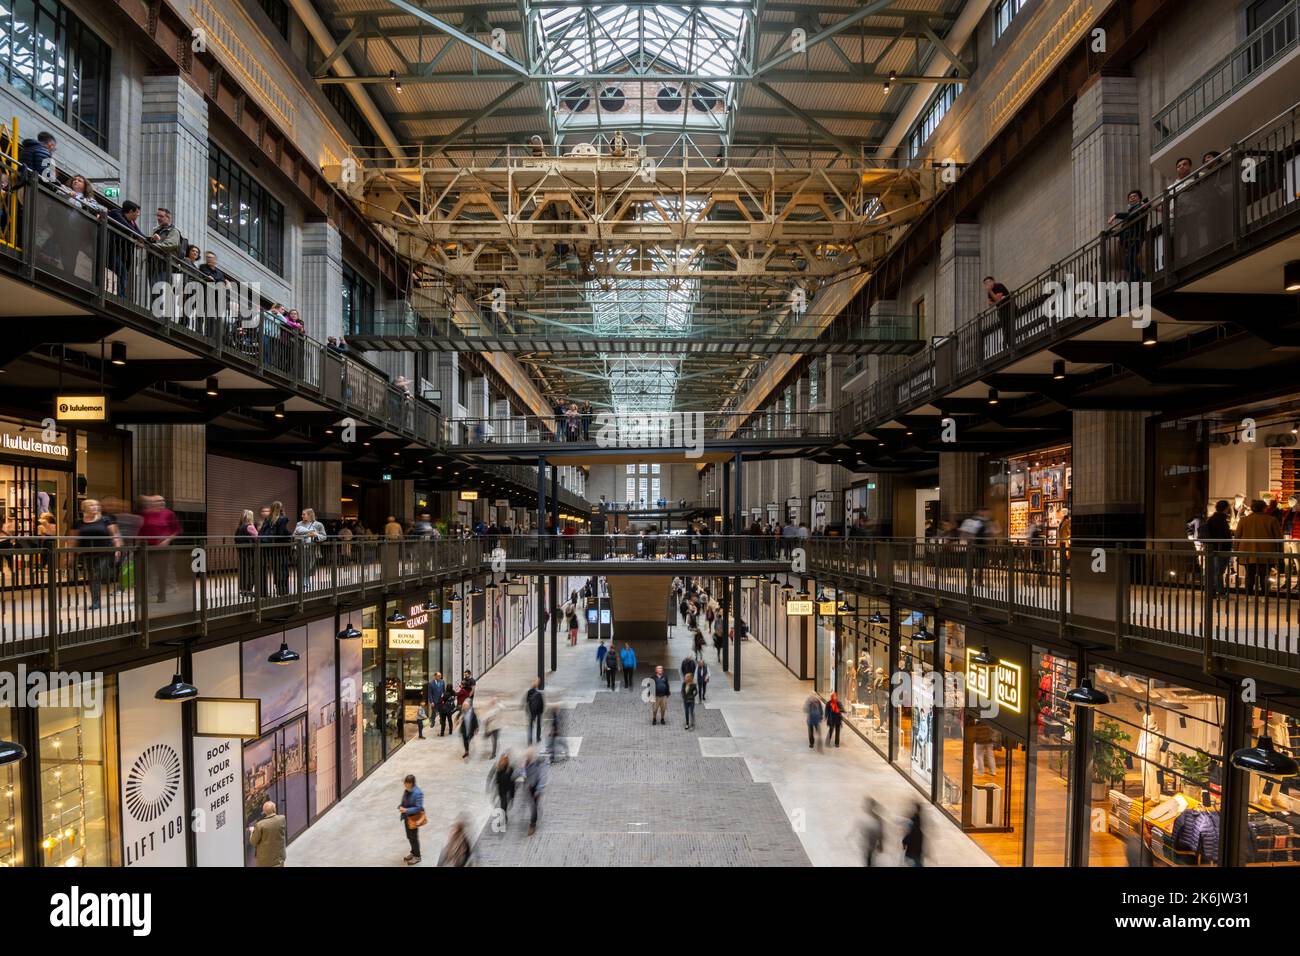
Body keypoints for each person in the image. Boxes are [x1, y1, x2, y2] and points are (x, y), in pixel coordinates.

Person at [76, 499, 120, 611]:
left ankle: (96, 601)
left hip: (104, 552)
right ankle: (96, 600)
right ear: (84, 508)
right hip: (87, 554)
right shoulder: (79, 522)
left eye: (96, 505)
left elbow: (115, 535)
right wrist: (70, 555)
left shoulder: (106, 520)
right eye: (92, 505)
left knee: (96, 574)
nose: (95, 507)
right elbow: (73, 539)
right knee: (92, 577)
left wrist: (118, 549)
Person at [1235, 498, 1283, 597]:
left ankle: (1248, 596)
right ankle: (1264, 596)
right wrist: (1280, 553)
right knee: (1265, 575)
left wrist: (1236, 551)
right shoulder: (1271, 520)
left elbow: (1237, 536)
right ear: (1264, 508)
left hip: (1247, 553)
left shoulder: (1244, 520)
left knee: (1249, 575)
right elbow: (1278, 538)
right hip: (1267, 553)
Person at [139, 494, 180, 603]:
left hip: (162, 549)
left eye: (162, 500)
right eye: (158, 501)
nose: (161, 502)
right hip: (146, 548)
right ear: (152, 502)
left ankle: (161, 594)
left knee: (161, 572)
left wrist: (167, 540)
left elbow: (177, 530)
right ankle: (144, 594)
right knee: (145, 572)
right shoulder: (144, 514)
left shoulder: (169, 513)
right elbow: (140, 530)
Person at [259, 500, 291, 596]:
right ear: (281, 508)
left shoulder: (267, 519)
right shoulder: (282, 519)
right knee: (282, 570)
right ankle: (282, 592)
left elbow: (261, 533)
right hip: (280, 549)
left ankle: (263, 593)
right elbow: (281, 534)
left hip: (269, 548)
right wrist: (291, 536)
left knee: (273, 569)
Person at [292, 507, 327, 590]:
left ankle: (305, 584)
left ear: (310, 515)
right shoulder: (299, 524)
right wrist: (307, 535)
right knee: (302, 566)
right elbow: (294, 535)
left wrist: (316, 536)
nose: (302, 516)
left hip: (312, 549)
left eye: (304, 514)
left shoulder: (318, 524)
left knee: (309, 567)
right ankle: (304, 584)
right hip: (300, 548)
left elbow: (324, 536)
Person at [249, 800, 287, 867]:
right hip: (279, 857)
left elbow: (253, 841)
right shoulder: (282, 819)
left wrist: (252, 832)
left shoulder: (260, 825)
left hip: (264, 860)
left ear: (264, 811)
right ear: (274, 809)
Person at [398, 774, 425, 864]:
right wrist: (401, 806)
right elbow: (404, 801)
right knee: (409, 837)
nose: (405, 785)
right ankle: (413, 853)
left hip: (414, 819)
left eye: (407, 783)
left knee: (413, 837)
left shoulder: (418, 793)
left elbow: (419, 808)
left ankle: (417, 857)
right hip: (407, 817)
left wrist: (406, 809)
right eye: (405, 783)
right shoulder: (407, 790)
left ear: (411, 783)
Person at [235, 508, 259, 598]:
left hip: (241, 552)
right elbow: (258, 537)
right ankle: (248, 590)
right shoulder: (250, 526)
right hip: (250, 552)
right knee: (250, 570)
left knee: (243, 570)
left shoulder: (239, 528)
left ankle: (243, 589)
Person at [523, 747, 547, 836]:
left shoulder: (539, 763)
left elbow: (542, 777)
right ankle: (536, 812)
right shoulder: (525, 762)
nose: (527, 757)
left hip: (536, 787)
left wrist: (539, 790)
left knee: (533, 806)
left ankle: (532, 824)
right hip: (528, 786)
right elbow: (521, 771)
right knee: (532, 805)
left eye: (528, 756)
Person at [489, 753, 515, 825]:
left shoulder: (510, 769)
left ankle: (503, 817)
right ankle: (503, 817)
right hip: (501, 789)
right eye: (501, 761)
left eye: (504, 761)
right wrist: (492, 786)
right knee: (502, 804)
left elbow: (512, 782)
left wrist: (512, 795)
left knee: (504, 804)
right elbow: (495, 779)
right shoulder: (498, 768)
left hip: (508, 789)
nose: (502, 762)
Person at [860, 797, 884, 867]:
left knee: (869, 859)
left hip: (870, 843)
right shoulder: (870, 817)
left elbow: (880, 832)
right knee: (869, 859)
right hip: (868, 843)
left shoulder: (877, 819)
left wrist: (881, 843)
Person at [525, 678, 545, 744]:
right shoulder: (539, 693)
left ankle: (530, 740)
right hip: (538, 712)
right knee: (538, 725)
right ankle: (538, 738)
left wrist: (528, 710)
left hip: (531, 711)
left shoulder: (529, 691)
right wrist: (541, 711)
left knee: (530, 726)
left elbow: (527, 701)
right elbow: (542, 703)